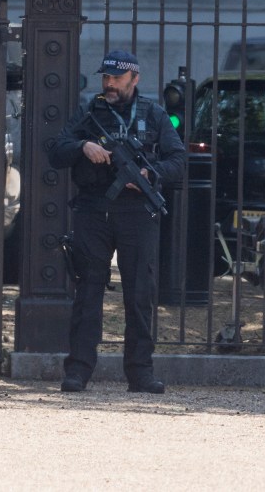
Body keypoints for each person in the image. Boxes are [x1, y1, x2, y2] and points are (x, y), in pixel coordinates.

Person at [48, 50, 186, 394]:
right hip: (94, 209)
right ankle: (78, 370)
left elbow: (179, 161)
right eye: (105, 78)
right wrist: (83, 147)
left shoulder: (154, 115)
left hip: (137, 213)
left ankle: (140, 373)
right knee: (88, 290)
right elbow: (56, 150)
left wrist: (147, 174)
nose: (109, 84)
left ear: (134, 80)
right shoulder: (89, 112)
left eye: (116, 79)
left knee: (140, 293)